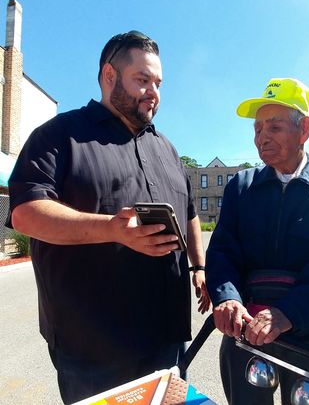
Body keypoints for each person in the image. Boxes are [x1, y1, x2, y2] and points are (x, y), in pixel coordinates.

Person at [6, 30, 210, 404]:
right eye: (142, 79)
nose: (153, 92)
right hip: (92, 348)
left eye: (159, 83)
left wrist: (199, 267)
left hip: (166, 338)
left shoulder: (167, 149)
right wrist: (113, 229)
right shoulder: (58, 135)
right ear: (109, 75)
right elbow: (26, 213)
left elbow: (190, 213)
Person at [206, 77, 309, 405]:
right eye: (257, 129)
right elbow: (222, 250)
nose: (261, 138)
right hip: (247, 330)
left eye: (274, 127)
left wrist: (287, 313)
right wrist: (228, 298)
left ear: (304, 129)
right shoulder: (240, 187)